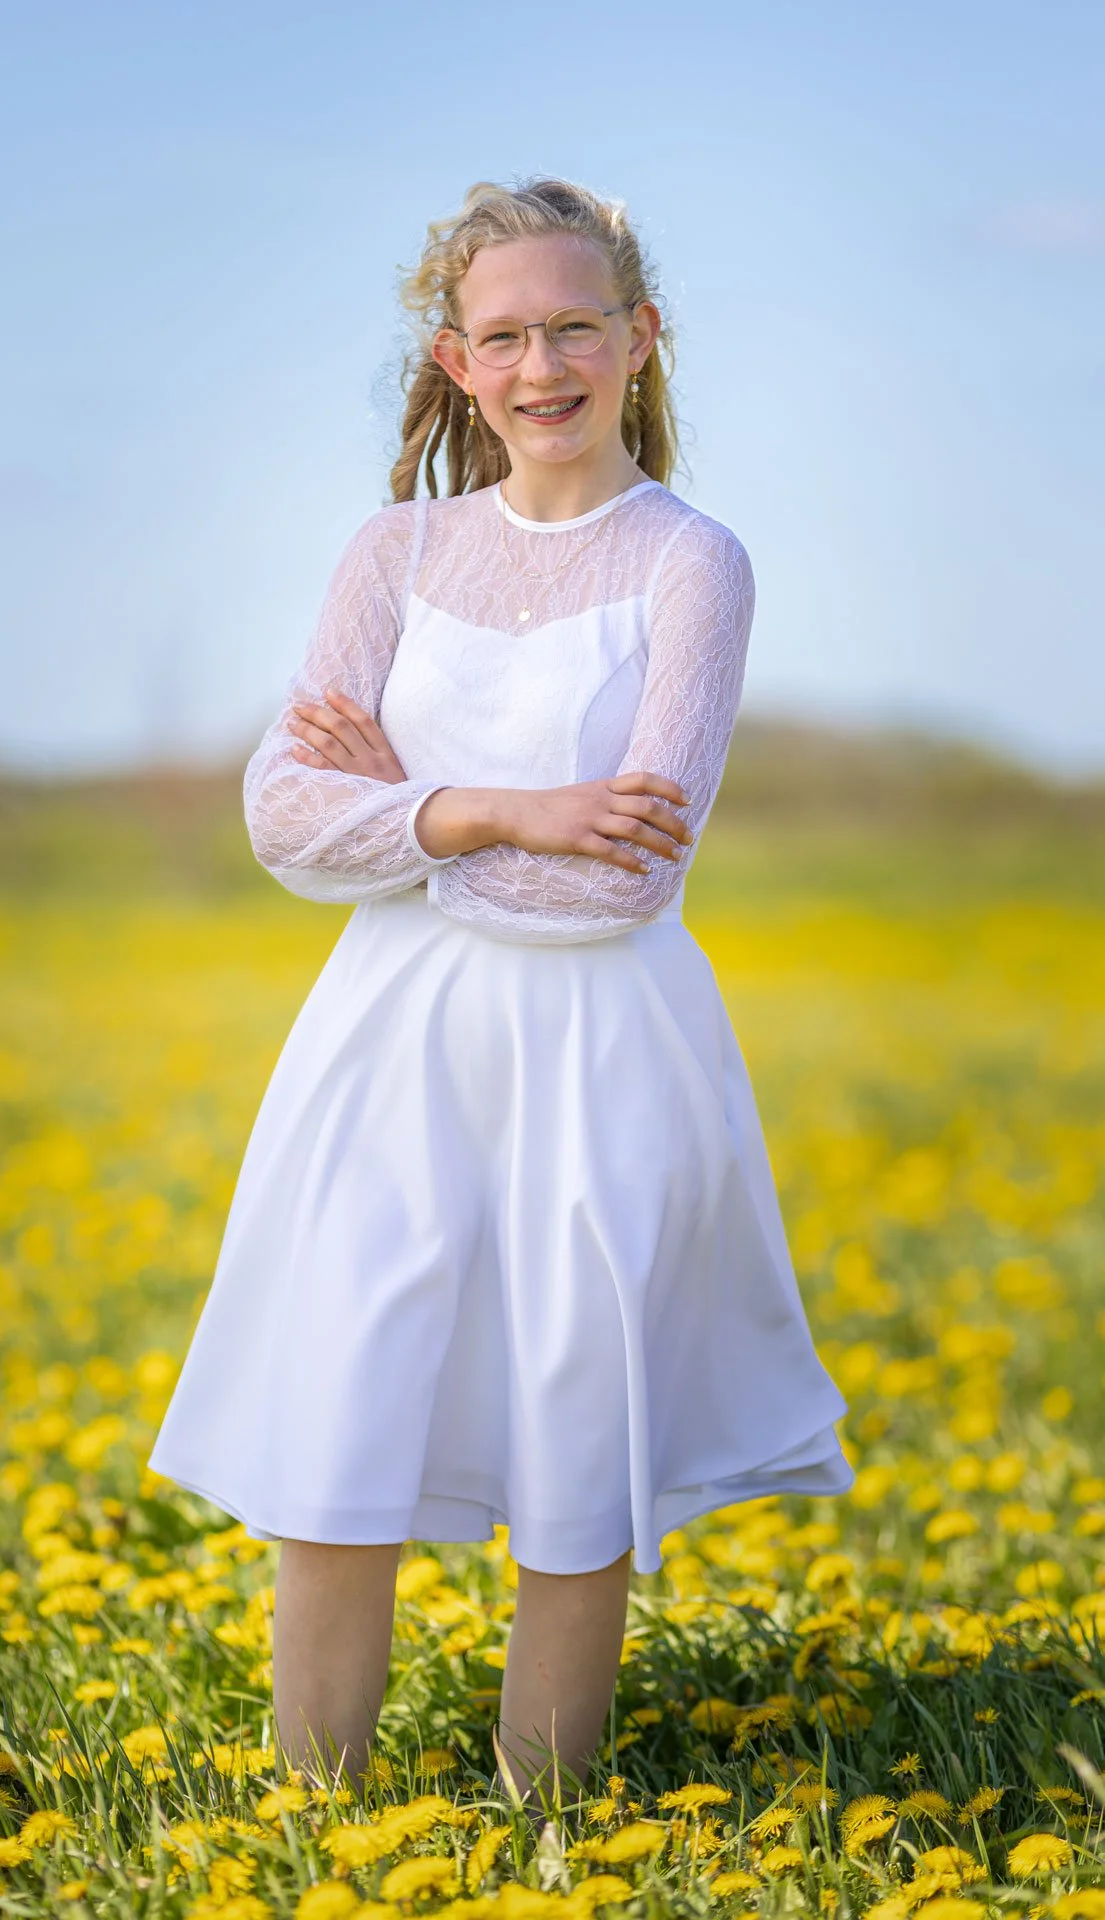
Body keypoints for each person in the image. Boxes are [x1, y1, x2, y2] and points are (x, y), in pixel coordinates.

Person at [147, 174, 854, 1808]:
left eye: (577, 329)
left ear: (641, 339)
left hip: (604, 1044)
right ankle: (311, 1818)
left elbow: (623, 877)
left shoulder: (694, 563)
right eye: (507, 336)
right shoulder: (391, 551)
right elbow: (279, 819)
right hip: (387, 1046)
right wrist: (494, 804)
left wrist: (397, 805)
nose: (545, 367)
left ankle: (546, 1828)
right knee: (344, 1401)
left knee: (569, 1414)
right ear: (458, 363)